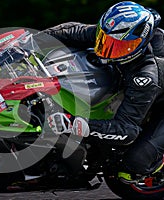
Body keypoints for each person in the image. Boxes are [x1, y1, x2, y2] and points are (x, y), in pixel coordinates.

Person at [43, 1, 164, 177]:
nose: (108, 50)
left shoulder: (145, 75)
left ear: (140, 45)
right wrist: (32, 39)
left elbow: (127, 130)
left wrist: (79, 125)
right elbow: (74, 31)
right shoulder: (116, 34)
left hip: (159, 100)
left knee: (134, 163)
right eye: (104, 40)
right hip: (140, 87)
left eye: (120, 47)